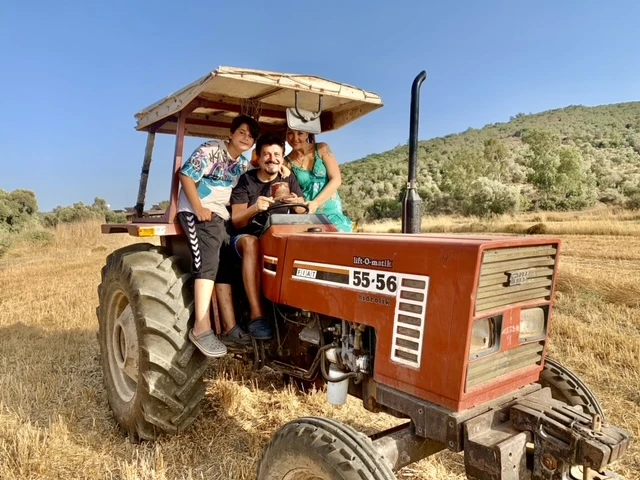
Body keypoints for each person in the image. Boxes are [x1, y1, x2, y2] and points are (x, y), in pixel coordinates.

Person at [176, 114, 260, 358]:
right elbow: (186, 175)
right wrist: (199, 207)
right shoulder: (211, 149)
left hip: (220, 216)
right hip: (198, 212)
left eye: (251, 136)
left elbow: (256, 171)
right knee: (209, 261)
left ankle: (230, 327)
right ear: (231, 134)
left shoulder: (242, 164)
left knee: (229, 262)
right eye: (242, 132)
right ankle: (201, 328)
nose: (246, 137)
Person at [215, 133, 307, 344]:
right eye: (266, 154)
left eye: (276, 154)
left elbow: (303, 211)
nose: (271, 158)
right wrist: (255, 208)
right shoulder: (246, 181)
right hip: (244, 238)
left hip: (278, 236)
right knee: (251, 242)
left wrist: (295, 203)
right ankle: (257, 315)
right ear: (258, 157)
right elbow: (237, 220)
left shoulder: (288, 179)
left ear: (283, 158)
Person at [284, 129, 353, 232]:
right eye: (290, 133)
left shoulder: (322, 148)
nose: (295, 138)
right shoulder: (286, 162)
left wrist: (316, 202)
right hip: (309, 213)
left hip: (332, 211)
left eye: (300, 133)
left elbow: (336, 179)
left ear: (307, 134)